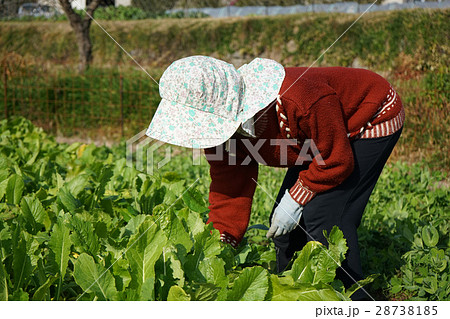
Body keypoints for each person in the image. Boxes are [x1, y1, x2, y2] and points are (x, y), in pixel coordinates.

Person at [145, 56, 404, 300]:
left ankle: (354, 299)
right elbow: (229, 187)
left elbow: (336, 160)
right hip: (314, 141)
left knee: (326, 219)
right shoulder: (221, 138)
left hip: (369, 117)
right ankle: (294, 291)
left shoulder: (299, 99)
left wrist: (298, 196)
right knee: (284, 226)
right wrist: (221, 242)